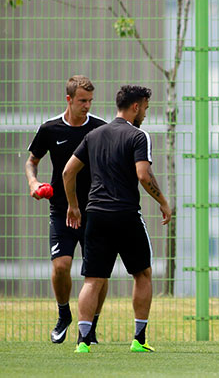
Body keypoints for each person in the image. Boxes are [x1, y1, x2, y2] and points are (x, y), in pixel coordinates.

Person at [62, 85, 171, 353]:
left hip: (96, 215)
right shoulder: (139, 136)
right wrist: (163, 202)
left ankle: (83, 342)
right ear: (136, 106)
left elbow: (67, 172)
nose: (145, 112)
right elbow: (143, 176)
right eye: (145, 107)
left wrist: (74, 206)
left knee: (93, 279)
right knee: (142, 273)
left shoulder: (94, 135)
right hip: (125, 215)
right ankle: (139, 339)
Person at [25, 75, 108, 344]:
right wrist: (34, 182)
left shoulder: (100, 129)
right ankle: (64, 315)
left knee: (97, 272)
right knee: (61, 266)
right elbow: (31, 161)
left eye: (90, 101)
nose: (87, 106)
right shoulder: (50, 129)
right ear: (69, 99)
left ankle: (91, 327)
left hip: (94, 210)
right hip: (61, 211)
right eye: (82, 101)